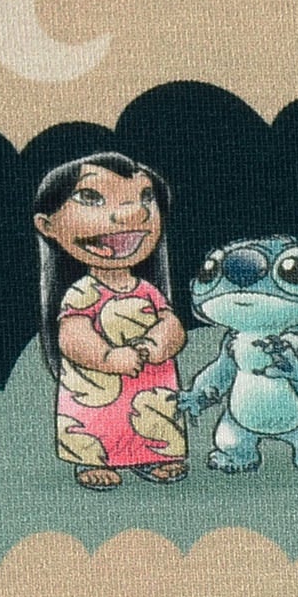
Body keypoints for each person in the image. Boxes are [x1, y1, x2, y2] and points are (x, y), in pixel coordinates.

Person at [32, 152, 189, 490]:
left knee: (156, 418)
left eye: (145, 197)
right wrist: (106, 357)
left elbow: (170, 322)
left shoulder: (147, 289)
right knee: (97, 422)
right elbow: (72, 335)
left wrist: (160, 342)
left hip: (151, 381)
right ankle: (92, 460)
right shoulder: (80, 292)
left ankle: (153, 456)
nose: (136, 213)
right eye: (91, 197)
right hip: (97, 386)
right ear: (48, 226)